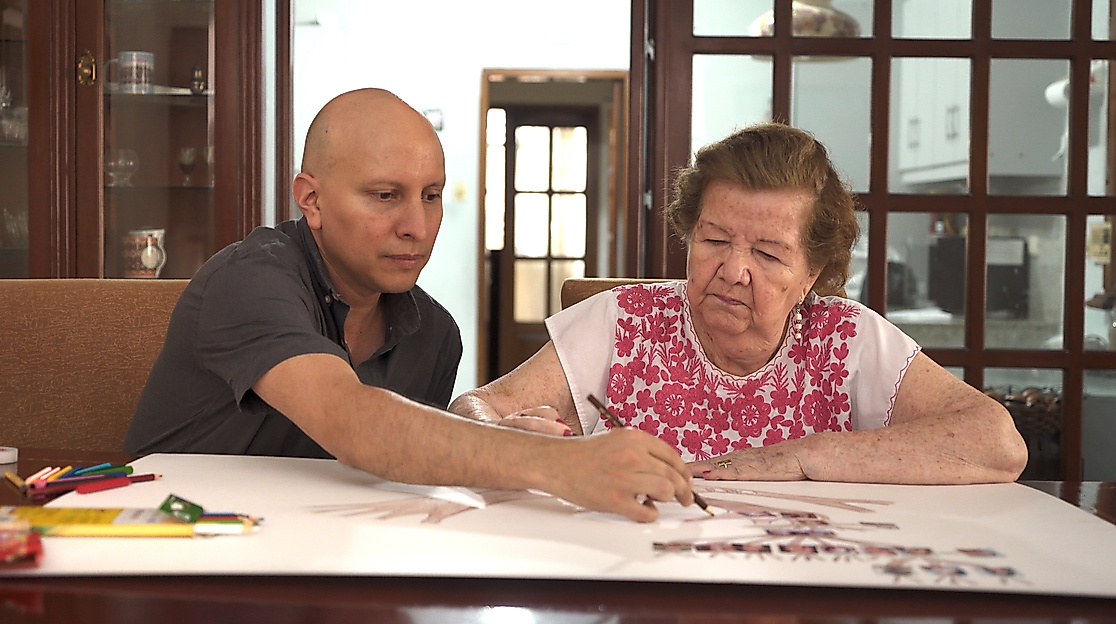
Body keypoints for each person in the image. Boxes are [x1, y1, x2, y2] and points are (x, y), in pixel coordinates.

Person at [124, 88, 696, 522]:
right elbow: (356, 423)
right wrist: (556, 465)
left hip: (317, 554)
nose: (417, 227)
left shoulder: (435, 335)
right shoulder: (250, 278)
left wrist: (506, 435)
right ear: (312, 200)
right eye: (385, 196)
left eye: (431, 196)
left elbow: (393, 462)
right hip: (168, 551)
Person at [450, 122, 1029, 485]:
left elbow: (998, 443)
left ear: (814, 273)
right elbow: (472, 409)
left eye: (770, 254)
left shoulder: (847, 340)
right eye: (715, 240)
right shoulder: (623, 321)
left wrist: (804, 456)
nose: (733, 271)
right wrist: (505, 435)